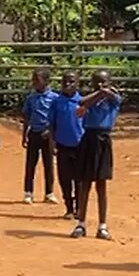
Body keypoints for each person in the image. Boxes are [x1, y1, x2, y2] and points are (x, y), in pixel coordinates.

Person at [72, 70, 121, 240]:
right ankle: (81, 223)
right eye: (97, 82)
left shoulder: (114, 98)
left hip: (103, 140)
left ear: (110, 82)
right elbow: (81, 102)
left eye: (104, 82)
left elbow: (114, 98)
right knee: (85, 183)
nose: (101, 85)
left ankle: (102, 225)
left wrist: (105, 93)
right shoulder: (90, 98)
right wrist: (99, 93)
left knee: (101, 184)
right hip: (89, 139)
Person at [47, 72, 83, 219]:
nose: (68, 85)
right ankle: (69, 207)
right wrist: (52, 142)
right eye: (65, 82)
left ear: (78, 84)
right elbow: (52, 124)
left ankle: (80, 208)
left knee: (79, 180)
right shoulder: (56, 102)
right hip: (62, 145)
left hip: (80, 146)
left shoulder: (83, 101)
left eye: (71, 82)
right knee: (65, 178)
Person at [21, 68, 58, 205]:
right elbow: (26, 116)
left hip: (48, 135)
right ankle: (28, 192)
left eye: (37, 80)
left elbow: (56, 118)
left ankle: (49, 193)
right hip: (34, 133)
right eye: (33, 79)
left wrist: (51, 132)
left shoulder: (54, 98)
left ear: (46, 81)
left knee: (48, 164)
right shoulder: (31, 98)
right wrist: (24, 134)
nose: (34, 82)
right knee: (31, 164)